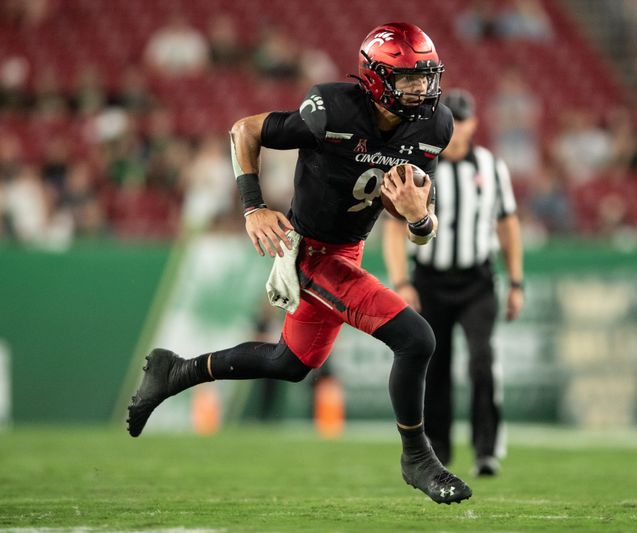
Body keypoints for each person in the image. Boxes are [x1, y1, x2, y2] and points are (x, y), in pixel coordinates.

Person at [126, 22, 472, 504]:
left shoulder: (434, 126)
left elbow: (412, 213)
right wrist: (253, 205)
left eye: (425, 77)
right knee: (416, 338)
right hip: (310, 250)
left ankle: (177, 372)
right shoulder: (331, 110)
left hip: (349, 250)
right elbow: (245, 129)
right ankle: (418, 458)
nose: (422, 89)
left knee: (289, 363)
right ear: (375, 79)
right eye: (408, 79)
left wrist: (419, 221)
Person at [382, 89, 524, 476]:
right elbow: (395, 229)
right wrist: (401, 281)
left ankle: (487, 449)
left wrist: (516, 282)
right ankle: (438, 449)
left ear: (475, 122)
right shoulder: (422, 166)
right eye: (452, 120)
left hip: (477, 280)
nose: (458, 129)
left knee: (482, 361)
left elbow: (508, 224)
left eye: (464, 120)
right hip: (429, 280)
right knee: (435, 367)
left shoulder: (493, 167)